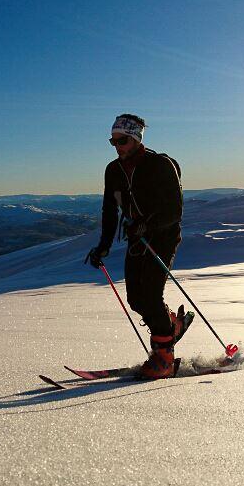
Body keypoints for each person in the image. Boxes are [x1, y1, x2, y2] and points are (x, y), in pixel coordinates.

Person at [84, 113, 192, 379]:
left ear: (135, 139)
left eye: (121, 140)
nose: (117, 146)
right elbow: (109, 210)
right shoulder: (113, 170)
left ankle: (164, 358)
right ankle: (170, 326)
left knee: (152, 294)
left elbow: (175, 211)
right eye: (113, 141)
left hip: (163, 237)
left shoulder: (160, 165)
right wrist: (103, 246)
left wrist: (146, 225)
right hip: (136, 239)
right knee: (135, 299)